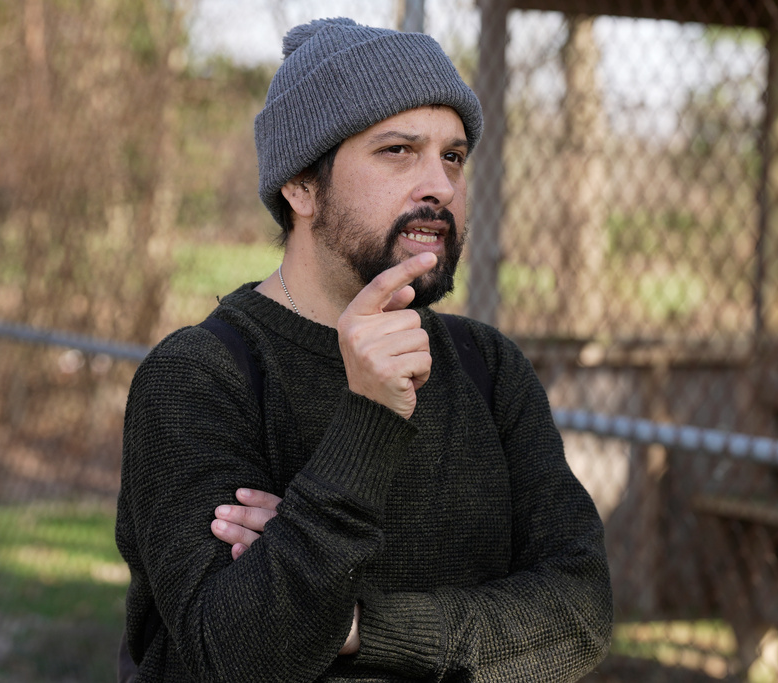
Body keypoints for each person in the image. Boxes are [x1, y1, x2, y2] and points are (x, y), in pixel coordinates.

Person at [116, 17, 613, 682]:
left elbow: (578, 614)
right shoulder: (200, 377)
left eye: (453, 156)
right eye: (398, 151)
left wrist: (356, 625)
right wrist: (369, 418)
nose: (437, 183)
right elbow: (239, 654)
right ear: (300, 185)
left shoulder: (488, 368)